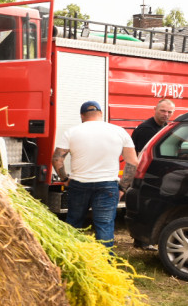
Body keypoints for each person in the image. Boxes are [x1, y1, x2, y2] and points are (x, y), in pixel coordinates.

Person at [52, 100, 138, 249]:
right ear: (101, 114)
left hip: (78, 184)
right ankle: (105, 263)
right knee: (104, 225)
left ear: (82, 116)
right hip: (107, 185)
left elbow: (57, 159)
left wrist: (65, 179)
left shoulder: (72, 132)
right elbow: (133, 163)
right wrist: (122, 188)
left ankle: (73, 257)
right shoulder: (119, 131)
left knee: (74, 223)